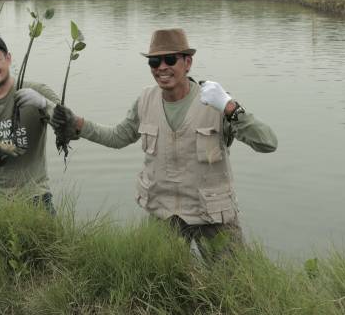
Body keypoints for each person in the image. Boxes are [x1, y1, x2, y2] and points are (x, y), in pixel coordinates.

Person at [53, 28, 277, 243]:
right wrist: (77, 124)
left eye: (170, 60)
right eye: (154, 61)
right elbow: (118, 137)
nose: (161, 67)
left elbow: (268, 143)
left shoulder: (215, 101)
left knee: (231, 279)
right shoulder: (145, 100)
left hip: (212, 217)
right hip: (164, 216)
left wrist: (230, 107)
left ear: (187, 63)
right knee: (161, 280)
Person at [0, 35, 59, 210]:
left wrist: (45, 105)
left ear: (8, 58)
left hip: (33, 198)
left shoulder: (36, 91)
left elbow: (69, 127)